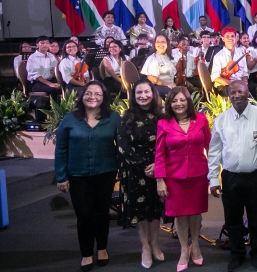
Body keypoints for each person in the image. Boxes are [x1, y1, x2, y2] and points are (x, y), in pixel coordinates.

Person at [208, 80, 257, 271]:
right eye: (232, 92)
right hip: (230, 177)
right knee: (232, 219)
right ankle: (236, 254)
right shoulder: (221, 119)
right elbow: (214, 151)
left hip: (255, 177)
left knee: (256, 219)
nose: (236, 95)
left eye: (240, 91)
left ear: (248, 93)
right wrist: (213, 179)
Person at [55, 81, 119, 271]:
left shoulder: (114, 118)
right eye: (89, 93)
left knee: (101, 213)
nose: (93, 97)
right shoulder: (69, 119)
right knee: (84, 215)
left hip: (105, 172)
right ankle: (86, 253)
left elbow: (123, 146)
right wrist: (61, 176)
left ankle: (102, 248)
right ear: (82, 96)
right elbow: (61, 149)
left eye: (98, 94)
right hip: (77, 174)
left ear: (104, 97)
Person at [155, 87, 211, 271]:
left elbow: (210, 146)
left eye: (182, 100)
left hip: (198, 174)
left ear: (188, 101)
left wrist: (213, 171)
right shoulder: (164, 123)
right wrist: (160, 180)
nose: (178, 104)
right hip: (174, 176)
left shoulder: (201, 119)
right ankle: (183, 249)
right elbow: (160, 154)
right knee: (180, 214)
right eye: (174, 101)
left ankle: (195, 245)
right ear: (169, 104)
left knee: (195, 212)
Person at [117, 79, 165, 268]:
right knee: (140, 212)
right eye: (139, 92)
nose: (143, 96)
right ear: (133, 95)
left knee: (155, 210)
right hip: (135, 171)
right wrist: (145, 165)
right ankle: (145, 246)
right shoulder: (127, 116)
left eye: (146, 92)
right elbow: (122, 146)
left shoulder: (161, 116)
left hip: (159, 170)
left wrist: (157, 165)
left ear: (152, 93)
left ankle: (155, 243)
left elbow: (167, 144)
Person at [211, 27, 248, 95]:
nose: (230, 38)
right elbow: (215, 77)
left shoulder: (242, 53)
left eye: (232, 36)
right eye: (227, 36)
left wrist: (245, 81)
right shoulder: (218, 56)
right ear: (223, 39)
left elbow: (245, 72)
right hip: (224, 85)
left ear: (236, 38)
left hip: (239, 84)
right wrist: (232, 83)